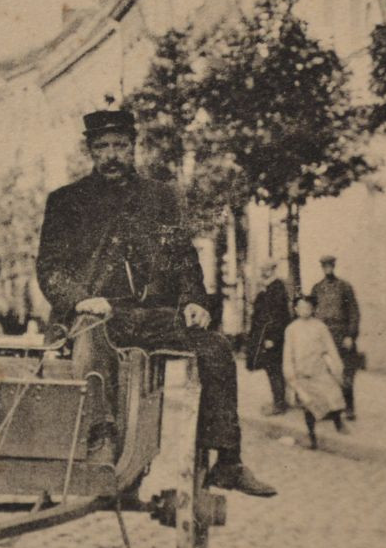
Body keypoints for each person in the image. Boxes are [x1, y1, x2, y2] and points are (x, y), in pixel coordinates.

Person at [36, 107, 275, 497]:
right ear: (91, 152)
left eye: (120, 146)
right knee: (92, 340)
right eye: (103, 147)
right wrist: (81, 299)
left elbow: (182, 258)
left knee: (215, 348)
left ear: (134, 148)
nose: (112, 154)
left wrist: (194, 300)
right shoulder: (66, 201)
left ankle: (228, 460)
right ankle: (101, 438)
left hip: (152, 315)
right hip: (97, 314)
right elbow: (50, 269)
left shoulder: (160, 198)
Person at [282, 294, 348, 449]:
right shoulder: (291, 329)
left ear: (312, 309)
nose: (304, 310)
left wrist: (337, 367)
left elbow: (330, 347)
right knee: (309, 406)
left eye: (308, 307)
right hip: (302, 374)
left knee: (334, 396)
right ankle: (312, 438)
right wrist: (290, 375)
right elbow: (288, 353)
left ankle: (338, 423)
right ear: (296, 309)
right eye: (301, 307)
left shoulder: (320, 327)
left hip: (319, 371)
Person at [309, 255, 360, 419]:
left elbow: (353, 313)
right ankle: (330, 409)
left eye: (330, 265)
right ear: (322, 268)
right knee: (324, 374)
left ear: (334, 266)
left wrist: (350, 336)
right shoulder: (317, 288)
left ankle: (349, 408)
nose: (327, 268)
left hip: (340, 334)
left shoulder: (344, 287)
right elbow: (311, 312)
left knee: (345, 373)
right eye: (324, 266)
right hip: (323, 335)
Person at [246, 262, 294, 415]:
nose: (263, 272)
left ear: (272, 270)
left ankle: (279, 404)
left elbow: (280, 317)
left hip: (273, 338)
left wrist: (272, 338)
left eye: (266, 269)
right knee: (271, 369)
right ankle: (279, 401)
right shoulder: (268, 289)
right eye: (262, 269)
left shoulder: (277, 289)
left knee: (274, 370)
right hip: (265, 337)